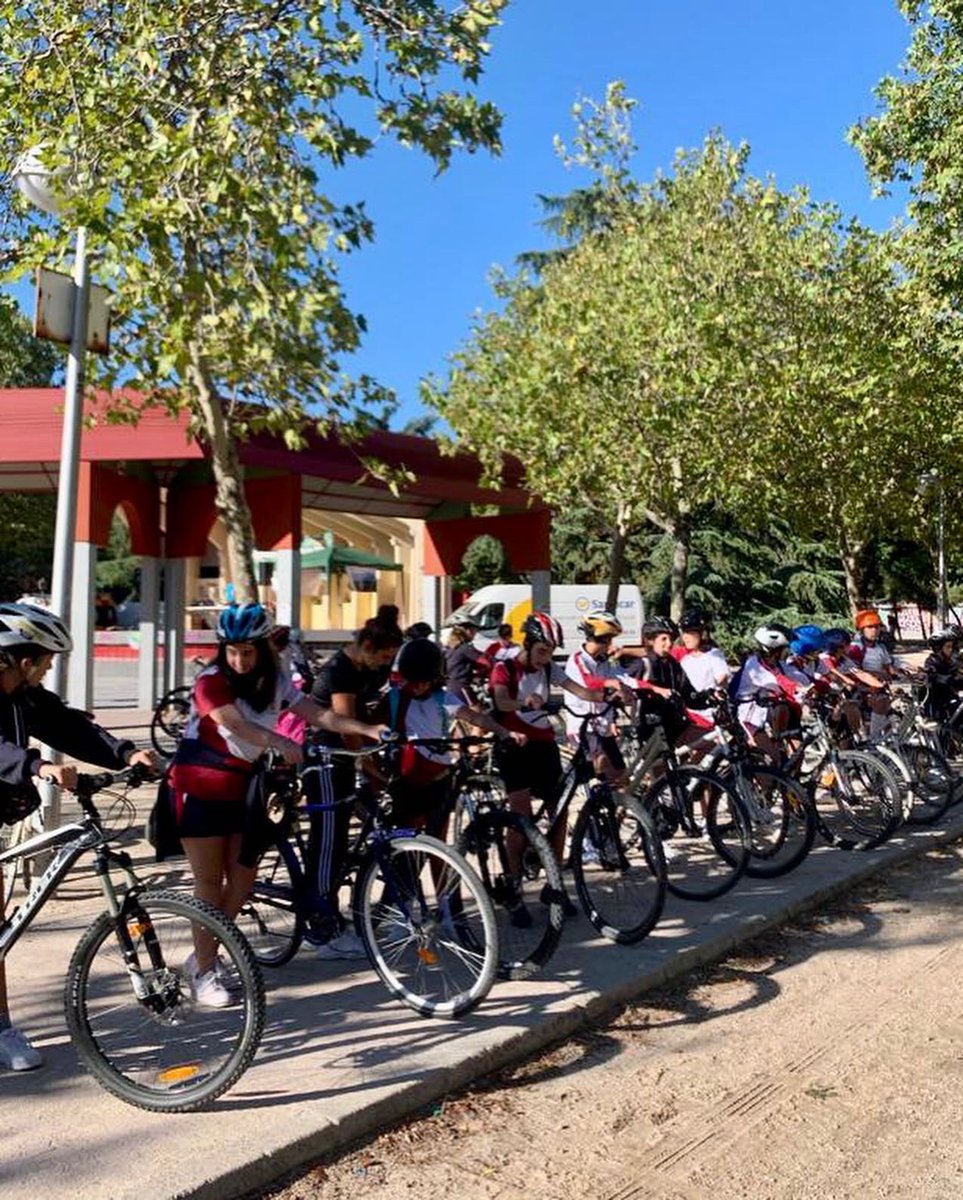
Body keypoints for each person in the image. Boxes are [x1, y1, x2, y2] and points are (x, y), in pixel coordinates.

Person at [168, 603, 383, 994]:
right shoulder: (210, 680)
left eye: (247, 651)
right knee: (209, 882)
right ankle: (204, 971)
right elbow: (235, 724)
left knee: (243, 879)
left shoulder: (275, 678)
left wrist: (366, 729)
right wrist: (279, 741)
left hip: (243, 787)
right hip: (199, 785)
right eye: (231, 650)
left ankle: (206, 953)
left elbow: (316, 714)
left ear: (264, 647)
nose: (239, 660)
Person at [0, 602, 158, 1071]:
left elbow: (68, 726)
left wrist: (127, 754)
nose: (49, 668)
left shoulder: (25, 697)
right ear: (23, 659)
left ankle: (1, 1029)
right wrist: (37, 766)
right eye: (46, 659)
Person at [489, 611, 611, 912]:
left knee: (560, 813)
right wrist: (523, 702)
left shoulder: (549, 669)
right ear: (527, 643)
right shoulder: (505, 668)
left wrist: (607, 694)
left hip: (544, 746)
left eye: (551, 652)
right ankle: (515, 887)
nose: (546, 658)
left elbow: (578, 689)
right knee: (521, 817)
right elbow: (501, 700)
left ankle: (554, 885)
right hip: (513, 747)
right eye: (542, 651)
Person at [306, 614, 403, 958]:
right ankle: (322, 928)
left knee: (352, 836)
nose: (385, 663)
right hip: (325, 759)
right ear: (365, 646)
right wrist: (372, 768)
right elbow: (348, 729)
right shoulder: (340, 671)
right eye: (381, 656)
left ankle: (341, 913)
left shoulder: (367, 668)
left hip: (347, 758)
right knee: (328, 843)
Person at [381, 638, 524, 838]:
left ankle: (441, 868)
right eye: (412, 680)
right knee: (409, 833)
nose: (417, 687)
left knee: (439, 831)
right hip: (407, 777)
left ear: (433, 679)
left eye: (423, 681)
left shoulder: (442, 698)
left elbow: (473, 716)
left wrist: (503, 732)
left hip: (438, 773)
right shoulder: (393, 698)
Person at [563, 611, 630, 783]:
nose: (610, 643)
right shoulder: (577, 660)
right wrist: (611, 684)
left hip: (603, 727)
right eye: (608, 638)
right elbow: (588, 683)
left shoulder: (604, 662)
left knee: (621, 775)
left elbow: (623, 680)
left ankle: (621, 808)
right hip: (584, 729)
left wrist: (651, 689)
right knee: (599, 772)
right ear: (601, 637)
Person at [444, 616, 490, 707]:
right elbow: (485, 663)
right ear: (467, 631)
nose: (475, 634)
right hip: (462, 687)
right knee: (477, 715)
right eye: (474, 631)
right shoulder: (465, 648)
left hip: (450, 686)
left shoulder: (449, 648)